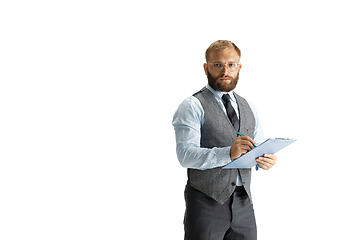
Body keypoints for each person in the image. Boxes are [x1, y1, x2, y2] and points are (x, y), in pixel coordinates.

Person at [172, 40, 278, 240]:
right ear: (206, 68)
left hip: (243, 202)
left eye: (231, 65)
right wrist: (228, 153)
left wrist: (265, 160)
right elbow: (185, 155)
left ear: (239, 67)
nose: (225, 71)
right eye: (217, 65)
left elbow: (259, 147)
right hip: (206, 201)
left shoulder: (248, 105)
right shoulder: (192, 105)